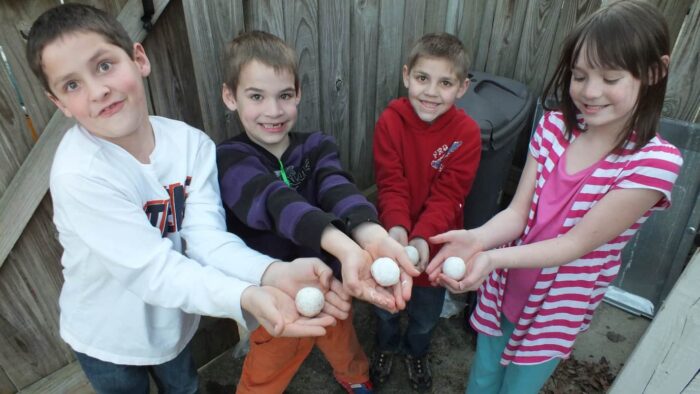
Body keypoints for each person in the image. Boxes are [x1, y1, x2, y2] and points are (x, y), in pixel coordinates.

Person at [27, 5, 340, 393]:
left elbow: (207, 239)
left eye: (104, 65)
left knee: (185, 388)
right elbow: (153, 270)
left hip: (173, 322)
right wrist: (245, 295)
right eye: (71, 85)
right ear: (59, 104)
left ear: (139, 59)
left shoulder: (190, 144)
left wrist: (271, 273)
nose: (97, 90)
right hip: (108, 338)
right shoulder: (80, 174)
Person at [426, 2, 684, 393]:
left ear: (653, 72)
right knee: (482, 376)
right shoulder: (552, 127)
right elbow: (516, 213)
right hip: (504, 288)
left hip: (555, 310)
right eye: (580, 76)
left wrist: (489, 257)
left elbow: (574, 244)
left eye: (610, 78)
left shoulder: (653, 163)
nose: (590, 92)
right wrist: (477, 239)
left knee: (519, 388)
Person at [216, 31, 420, 394]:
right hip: (276, 294)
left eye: (284, 96)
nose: (274, 111)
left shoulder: (316, 145)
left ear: (299, 93)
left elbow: (337, 187)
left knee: (343, 339)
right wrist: (345, 246)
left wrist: (370, 234)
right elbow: (275, 202)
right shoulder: (230, 158)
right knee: (268, 364)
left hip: (332, 283)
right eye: (256, 96)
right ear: (230, 97)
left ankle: (355, 378)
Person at [370, 32, 482, 391]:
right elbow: (391, 182)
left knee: (424, 313)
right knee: (386, 305)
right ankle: (386, 346)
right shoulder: (390, 122)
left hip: (436, 242)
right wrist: (399, 230)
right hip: (392, 235)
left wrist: (421, 238)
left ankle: (417, 351)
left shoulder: (467, 133)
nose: (431, 92)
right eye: (422, 78)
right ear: (406, 76)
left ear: (462, 87)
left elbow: (449, 194)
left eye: (445, 82)